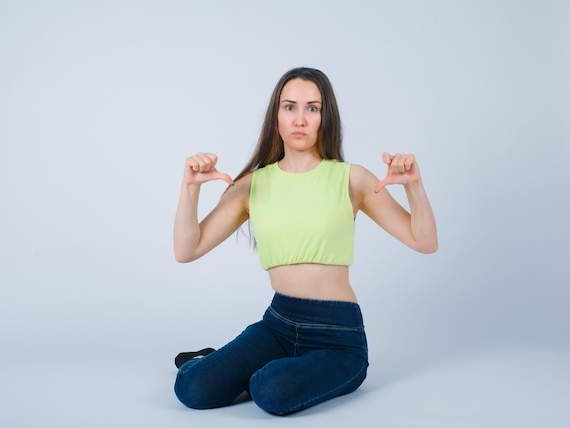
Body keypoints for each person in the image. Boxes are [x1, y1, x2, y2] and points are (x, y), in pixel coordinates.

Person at [172, 67, 438, 415]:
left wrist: (412, 186)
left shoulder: (351, 178)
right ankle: (218, 363)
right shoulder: (251, 186)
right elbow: (186, 250)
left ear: (324, 118)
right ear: (276, 116)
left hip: (338, 337)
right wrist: (190, 188)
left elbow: (424, 241)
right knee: (192, 387)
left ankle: (268, 371)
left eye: (312, 108)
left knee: (270, 388)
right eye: (289, 107)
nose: (300, 119)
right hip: (278, 325)